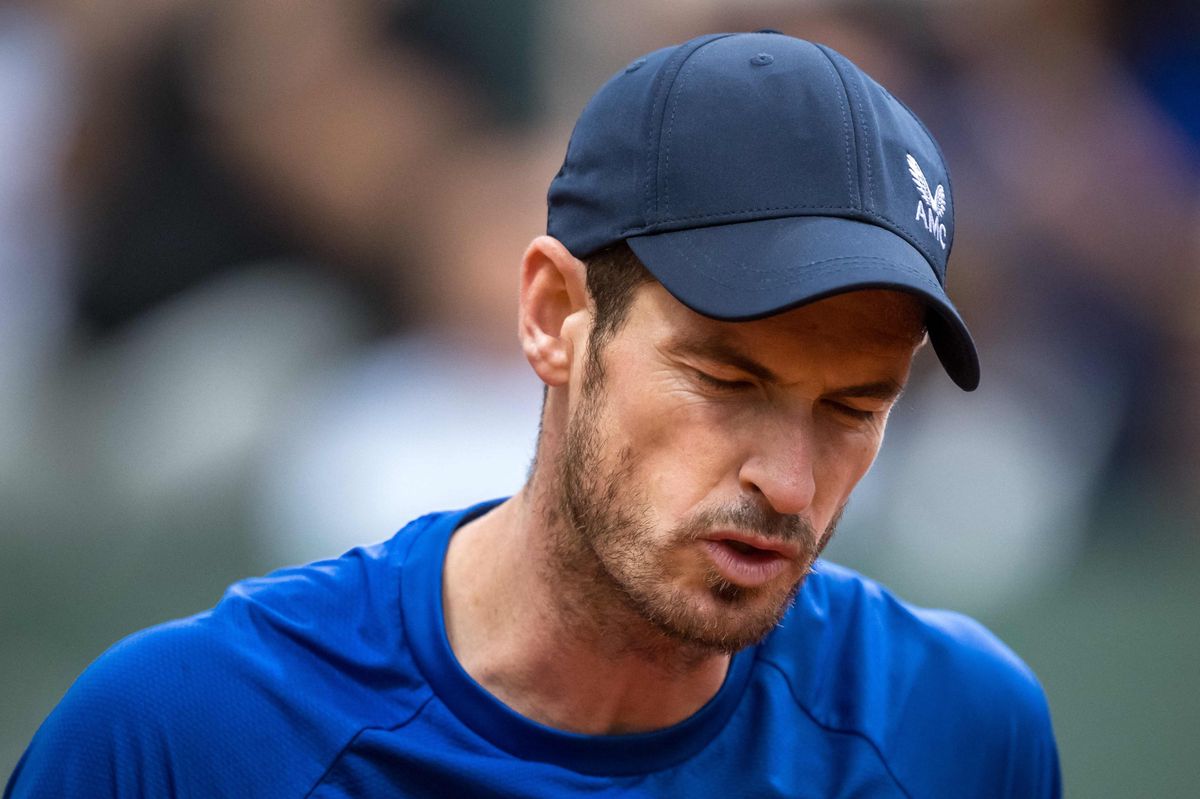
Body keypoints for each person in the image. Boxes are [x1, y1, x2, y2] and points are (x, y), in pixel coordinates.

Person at [5, 31, 1061, 797]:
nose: (788, 483)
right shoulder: (178, 739)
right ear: (556, 315)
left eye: (855, 406)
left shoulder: (965, 731)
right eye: (726, 382)